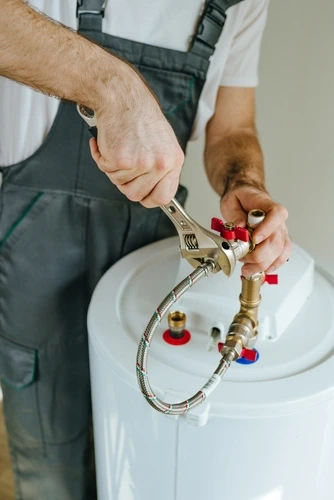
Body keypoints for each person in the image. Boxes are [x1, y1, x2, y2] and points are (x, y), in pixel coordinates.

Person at [0, 0, 291, 498]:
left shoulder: (244, 5)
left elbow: (232, 128)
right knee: (52, 464)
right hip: (32, 258)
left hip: (144, 260)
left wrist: (246, 182)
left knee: (140, 457)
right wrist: (113, 88)